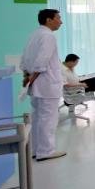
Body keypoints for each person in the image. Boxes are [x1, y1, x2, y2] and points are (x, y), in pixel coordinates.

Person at [20, 9, 66, 161]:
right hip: (46, 84)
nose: (61, 22)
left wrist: (27, 78)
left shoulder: (34, 35)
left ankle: (36, 149)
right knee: (48, 119)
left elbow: (24, 59)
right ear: (48, 20)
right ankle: (46, 151)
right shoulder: (48, 36)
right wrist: (32, 77)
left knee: (38, 117)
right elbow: (42, 61)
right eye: (58, 18)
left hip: (37, 86)